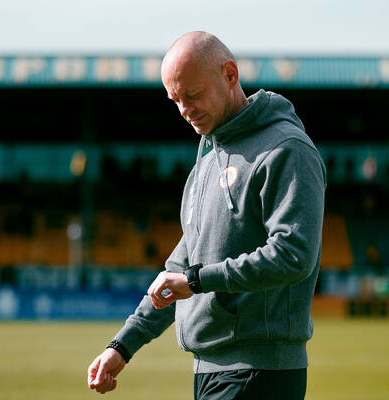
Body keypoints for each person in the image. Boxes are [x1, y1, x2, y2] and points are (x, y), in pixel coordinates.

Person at [87, 31, 326, 400]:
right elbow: (178, 270)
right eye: (175, 100)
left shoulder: (286, 150)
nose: (184, 109)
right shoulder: (205, 164)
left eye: (192, 95)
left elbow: (293, 255)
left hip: (259, 371)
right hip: (210, 371)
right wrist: (121, 346)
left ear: (230, 75)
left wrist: (197, 280)